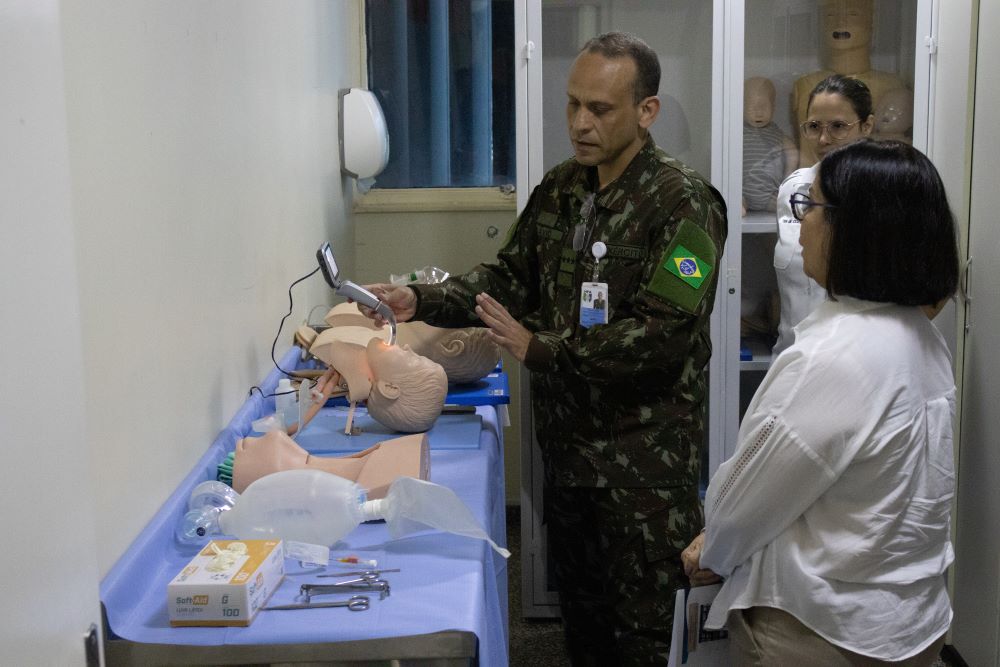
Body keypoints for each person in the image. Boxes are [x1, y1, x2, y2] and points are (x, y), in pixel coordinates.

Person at [362, 31, 727, 665]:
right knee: (582, 622)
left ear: (648, 112)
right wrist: (420, 299)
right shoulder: (562, 189)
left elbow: (664, 334)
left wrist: (544, 351)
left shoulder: (685, 205)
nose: (580, 123)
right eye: (572, 104)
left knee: (644, 634)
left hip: (641, 471)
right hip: (569, 456)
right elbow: (509, 279)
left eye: (601, 109)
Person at [682, 139, 959, 665]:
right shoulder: (920, 337)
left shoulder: (835, 358)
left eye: (810, 206)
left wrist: (712, 550)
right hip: (909, 625)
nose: (800, 223)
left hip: (820, 630)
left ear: (858, 229)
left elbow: (744, 503)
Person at [773, 74, 873, 357]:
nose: (823, 139)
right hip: (790, 357)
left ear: (867, 126)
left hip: (855, 366)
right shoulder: (794, 189)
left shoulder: (886, 198)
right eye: (814, 126)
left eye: (838, 126)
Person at [791, 0, 907, 167]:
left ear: (872, 22)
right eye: (830, 15)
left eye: (853, 14)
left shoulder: (891, 85)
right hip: (812, 182)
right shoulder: (804, 85)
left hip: (869, 180)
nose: (840, 22)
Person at [742, 76, 797, 213]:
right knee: (733, 200)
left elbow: (792, 152)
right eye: (752, 106)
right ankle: (741, 206)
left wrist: (789, 172)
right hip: (743, 193)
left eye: (764, 106)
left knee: (786, 206)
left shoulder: (777, 133)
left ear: (773, 107)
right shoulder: (738, 133)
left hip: (769, 193)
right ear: (742, 106)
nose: (758, 112)